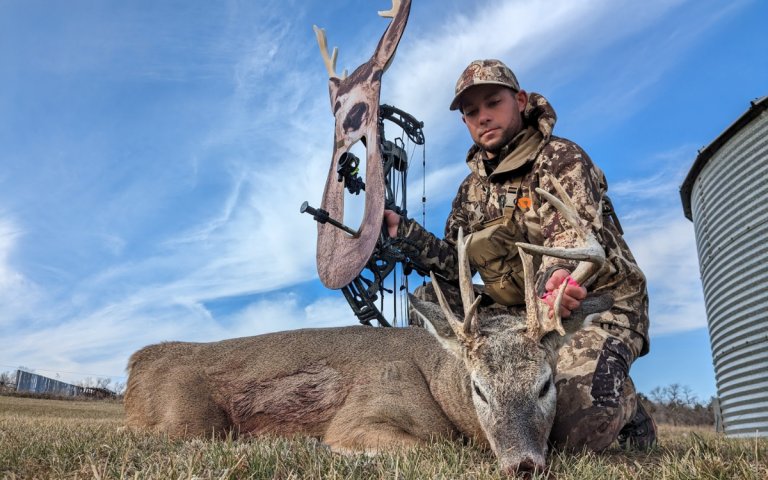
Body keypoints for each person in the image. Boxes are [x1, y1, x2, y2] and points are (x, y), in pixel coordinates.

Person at [384, 59, 656, 451]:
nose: (483, 117)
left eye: (493, 102)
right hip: (513, 319)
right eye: (471, 112)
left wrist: (555, 282)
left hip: (590, 306)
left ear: (520, 100)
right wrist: (403, 232)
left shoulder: (561, 160)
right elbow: (453, 262)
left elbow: (569, 244)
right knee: (430, 302)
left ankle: (623, 399)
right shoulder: (469, 192)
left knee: (569, 429)